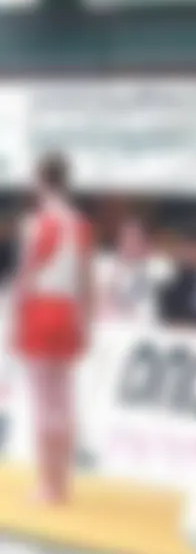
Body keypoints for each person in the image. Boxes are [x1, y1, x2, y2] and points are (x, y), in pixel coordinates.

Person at [13, 154, 94, 504]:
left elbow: (26, 277)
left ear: (41, 183)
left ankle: (49, 486)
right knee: (63, 402)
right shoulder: (79, 224)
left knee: (44, 404)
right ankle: (62, 484)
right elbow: (85, 280)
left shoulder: (37, 224)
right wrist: (86, 320)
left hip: (41, 310)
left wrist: (16, 316)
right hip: (69, 312)